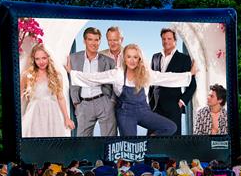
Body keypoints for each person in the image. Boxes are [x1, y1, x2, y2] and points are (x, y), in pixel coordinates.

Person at [68, 43, 196, 136]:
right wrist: (72, 73)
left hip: (143, 111)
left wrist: (189, 75)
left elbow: (166, 78)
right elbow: (95, 78)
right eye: (129, 57)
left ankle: (148, 143)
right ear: (124, 58)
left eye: (135, 57)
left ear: (139, 58)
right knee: (130, 143)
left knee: (171, 127)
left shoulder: (146, 74)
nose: (132, 60)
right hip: (125, 113)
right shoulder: (118, 73)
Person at [69, 27, 117, 137]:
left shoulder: (109, 61)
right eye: (90, 39)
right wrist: (76, 103)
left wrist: (112, 102)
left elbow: (115, 83)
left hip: (104, 101)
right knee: (83, 140)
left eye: (96, 40)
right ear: (84, 41)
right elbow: (71, 81)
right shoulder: (73, 58)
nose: (94, 43)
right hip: (83, 104)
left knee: (109, 139)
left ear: (100, 41)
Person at [149, 28, 197, 135]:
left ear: (175, 40)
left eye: (169, 39)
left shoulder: (184, 59)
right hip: (155, 108)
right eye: (164, 39)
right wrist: (151, 103)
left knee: (172, 141)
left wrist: (181, 103)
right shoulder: (155, 57)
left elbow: (192, 85)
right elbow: (151, 83)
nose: (166, 41)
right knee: (152, 140)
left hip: (173, 107)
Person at [21, 43, 75, 137]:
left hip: (52, 113)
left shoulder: (56, 75)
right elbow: (20, 97)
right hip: (34, 113)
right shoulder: (27, 75)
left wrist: (67, 118)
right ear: (33, 59)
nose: (41, 62)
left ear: (48, 58)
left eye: (44, 58)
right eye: (37, 59)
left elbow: (61, 98)